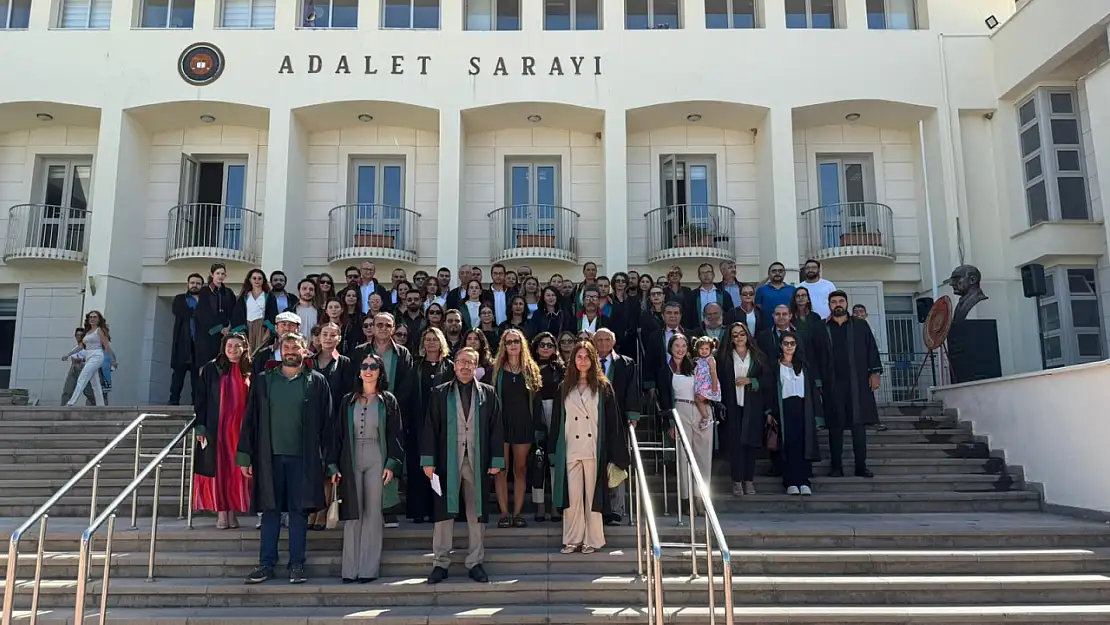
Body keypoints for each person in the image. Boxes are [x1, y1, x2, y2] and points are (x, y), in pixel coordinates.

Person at [238, 332, 332, 585]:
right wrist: (245, 456)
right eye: (286, 347)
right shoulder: (264, 380)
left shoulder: (317, 381)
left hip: (304, 458)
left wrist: (330, 461)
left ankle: (297, 564)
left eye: (295, 347)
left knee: (299, 512)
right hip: (269, 458)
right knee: (270, 511)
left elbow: (327, 424)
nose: (290, 351)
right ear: (280, 350)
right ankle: (266, 564)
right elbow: (250, 419)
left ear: (304, 350)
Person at [422, 346, 505, 585]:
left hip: (477, 459)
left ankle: (475, 562)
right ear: (454, 365)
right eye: (461, 362)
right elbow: (430, 427)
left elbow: (496, 428)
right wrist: (428, 461)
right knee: (442, 513)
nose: (465, 367)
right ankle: (440, 563)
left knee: (476, 511)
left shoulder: (487, 393)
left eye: (470, 363)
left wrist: (496, 460)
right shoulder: (441, 393)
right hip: (447, 459)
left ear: (476, 366)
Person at [546, 340, 629, 554]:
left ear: (593, 360)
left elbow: (612, 422)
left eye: (587, 357)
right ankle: (572, 539)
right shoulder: (564, 387)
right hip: (571, 448)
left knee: (593, 498)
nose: (582, 361)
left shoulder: (603, 387)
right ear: (573, 360)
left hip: (594, 449)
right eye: (579, 356)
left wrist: (616, 454)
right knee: (572, 497)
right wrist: (553, 450)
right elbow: (557, 421)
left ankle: (592, 539)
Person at [329, 352, 404, 584]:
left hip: (376, 456)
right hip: (351, 458)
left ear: (380, 371)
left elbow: (396, 434)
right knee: (353, 513)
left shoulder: (388, 400)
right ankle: (350, 569)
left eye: (373, 366)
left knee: (372, 513)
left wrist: (392, 463)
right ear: (359, 372)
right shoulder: (347, 400)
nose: (368, 370)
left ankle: (368, 569)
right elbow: (337, 435)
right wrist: (333, 465)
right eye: (364, 366)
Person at [193, 333, 253, 530]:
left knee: (236, 472)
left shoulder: (250, 370)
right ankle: (221, 512)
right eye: (229, 345)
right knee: (219, 470)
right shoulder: (212, 369)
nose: (233, 349)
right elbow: (201, 398)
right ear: (223, 347)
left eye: (237, 346)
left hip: (240, 430)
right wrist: (200, 426)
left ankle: (232, 511)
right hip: (216, 428)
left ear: (245, 348)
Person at [824, 290, 882, 479]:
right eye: (834, 302)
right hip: (833, 384)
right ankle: (836, 467)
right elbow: (816, 356)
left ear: (846, 303)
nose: (838, 304)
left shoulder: (860, 325)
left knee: (858, 426)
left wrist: (875, 373)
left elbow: (871, 348)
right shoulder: (822, 328)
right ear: (829, 305)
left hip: (858, 383)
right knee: (835, 426)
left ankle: (861, 466)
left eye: (841, 301)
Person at [491, 328, 543, 528]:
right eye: (509, 342)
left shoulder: (531, 369)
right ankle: (504, 513)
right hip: (501, 425)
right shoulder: (496, 371)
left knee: (520, 469)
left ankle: (518, 513)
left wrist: (538, 428)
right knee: (501, 470)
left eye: (516, 341)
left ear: (522, 345)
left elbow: (536, 402)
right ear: (503, 346)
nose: (513, 345)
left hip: (524, 425)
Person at [656, 334, 711, 514]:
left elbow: (709, 385)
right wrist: (670, 422)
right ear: (670, 348)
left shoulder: (696, 366)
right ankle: (686, 498)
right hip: (680, 410)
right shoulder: (665, 370)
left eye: (683, 346)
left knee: (703, 456)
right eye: (676, 346)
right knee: (684, 456)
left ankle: (701, 497)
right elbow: (664, 398)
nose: (680, 349)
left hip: (701, 410)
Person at [306, 322, 354, 531]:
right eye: (324, 334)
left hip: (334, 423)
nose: (327, 338)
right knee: (312, 468)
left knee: (329, 468)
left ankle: (323, 510)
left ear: (339, 339)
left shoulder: (344, 363)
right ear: (318, 338)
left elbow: (348, 394)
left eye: (332, 335)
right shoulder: (308, 362)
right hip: (310, 423)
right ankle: (312, 508)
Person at [761, 331, 821, 496]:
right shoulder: (775, 366)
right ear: (781, 346)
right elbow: (769, 391)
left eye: (792, 343)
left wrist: (817, 416)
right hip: (784, 409)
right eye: (786, 343)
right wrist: (769, 412)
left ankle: (804, 481)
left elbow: (812, 391)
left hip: (803, 408)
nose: (789, 346)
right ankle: (790, 482)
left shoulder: (804, 366)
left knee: (804, 444)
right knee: (788, 445)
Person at [591, 328, 639, 525]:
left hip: (618, 420)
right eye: (599, 340)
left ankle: (617, 509)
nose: (603, 343)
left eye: (607, 339)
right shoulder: (588, 362)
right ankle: (597, 508)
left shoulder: (626, 363)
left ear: (613, 342)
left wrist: (633, 415)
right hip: (592, 420)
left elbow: (632, 389)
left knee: (618, 462)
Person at [408, 327, 454, 523]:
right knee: (421, 467)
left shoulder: (450, 366)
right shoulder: (416, 367)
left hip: (443, 425)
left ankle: (439, 510)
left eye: (435, 339)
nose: (431, 342)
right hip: (420, 423)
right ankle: (420, 510)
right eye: (427, 339)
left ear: (441, 342)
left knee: (441, 467)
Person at [717, 322, 765, 496]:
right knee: (735, 445)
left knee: (750, 445)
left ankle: (749, 480)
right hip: (733, 406)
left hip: (752, 407)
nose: (739, 337)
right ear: (730, 338)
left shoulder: (758, 356)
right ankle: (737, 481)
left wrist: (751, 381)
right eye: (735, 334)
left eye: (742, 334)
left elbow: (767, 379)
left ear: (747, 335)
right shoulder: (724, 357)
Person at [531, 332, 564, 523]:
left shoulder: (560, 368)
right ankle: (539, 505)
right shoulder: (529, 367)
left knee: (555, 460)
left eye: (550, 345)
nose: (545, 348)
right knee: (538, 461)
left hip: (557, 413)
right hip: (534, 413)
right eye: (542, 345)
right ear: (536, 347)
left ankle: (555, 505)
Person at [169, 273, 204, 405]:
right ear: (188, 284)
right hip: (183, 342)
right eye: (192, 283)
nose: (195, 286)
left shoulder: (205, 301)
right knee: (178, 373)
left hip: (199, 344)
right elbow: (180, 311)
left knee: (197, 377)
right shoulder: (180, 299)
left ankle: (195, 403)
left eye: (198, 283)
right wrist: (196, 313)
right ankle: (173, 401)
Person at [66, 310, 113, 406]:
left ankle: (71, 402)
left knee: (82, 377)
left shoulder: (99, 330)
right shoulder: (87, 332)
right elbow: (81, 346)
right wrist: (69, 354)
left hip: (97, 356)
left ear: (99, 319)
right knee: (95, 384)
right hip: (89, 356)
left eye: (95, 317)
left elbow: (106, 346)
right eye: (91, 317)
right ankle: (101, 405)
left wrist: (112, 360)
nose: (92, 319)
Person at [195, 263, 236, 367]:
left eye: (222, 274)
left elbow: (233, 311)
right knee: (206, 365)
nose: (220, 276)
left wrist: (229, 326)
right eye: (218, 273)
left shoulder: (228, 292)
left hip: (225, 334)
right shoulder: (204, 291)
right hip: (208, 334)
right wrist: (219, 328)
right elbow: (203, 313)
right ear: (212, 274)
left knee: (223, 364)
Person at [230, 269, 277, 354]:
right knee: (247, 352)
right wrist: (241, 331)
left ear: (263, 280)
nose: (257, 280)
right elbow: (238, 314)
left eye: (259, 278)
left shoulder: (269, 296)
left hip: (262, 327)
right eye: (254, 278)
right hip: (247, 328)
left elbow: (272, 314)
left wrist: (268, 331)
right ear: (250, 280)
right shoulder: (244, 296)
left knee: (261, 352)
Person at [755, 262, 795, 331]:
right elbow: (758, 310)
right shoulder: (761, 290)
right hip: (766, 330)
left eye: (780, 271)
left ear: (784, 273)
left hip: (788, 330)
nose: (777, 273)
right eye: (774, 271)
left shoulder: (793, 290)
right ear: (769, 274)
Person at [692, 336, 721, 431]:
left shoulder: (710, 359)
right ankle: (711, 417)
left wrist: (714, 386)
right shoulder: (698, 360)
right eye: (701, 348)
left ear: (711, 349)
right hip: (702, 384)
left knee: (698, 400)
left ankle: (706, 417)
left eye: (706, 349)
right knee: (700, 400)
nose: (704, 351)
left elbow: (713, 372)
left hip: (708, 385)